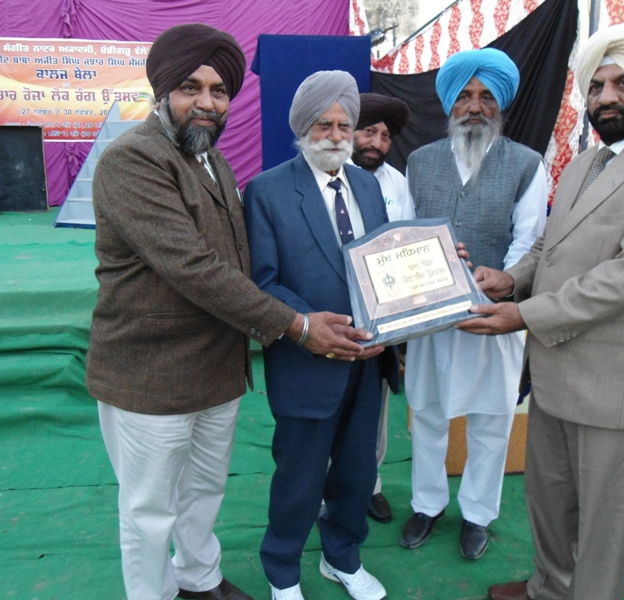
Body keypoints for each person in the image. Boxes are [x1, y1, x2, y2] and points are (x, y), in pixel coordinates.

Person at [86, 25, 371, 600]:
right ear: (163, 90)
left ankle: (200, 579)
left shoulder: (209, 158)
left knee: (203, 492)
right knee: (149, 510)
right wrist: (297, 324)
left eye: (219, 91)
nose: (207, 102)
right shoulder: (132, 160)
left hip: (216, 369)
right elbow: (193, 267)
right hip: (150, 375)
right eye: (191, 87)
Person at [457, 25, 624, 600]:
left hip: (614, 381)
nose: (606, 97)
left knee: (605, 523)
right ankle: (549, 589)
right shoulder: (583, 164)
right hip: (554, 371)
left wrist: (524, 315)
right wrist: (511, 279)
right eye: (597, 85)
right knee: (549, 500)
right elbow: (549, 246)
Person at [244, 71, 399, 600]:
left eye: (344, 125)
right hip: (306, 361)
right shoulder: (266, 191)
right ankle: (282, 572)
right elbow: (263, 282)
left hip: (368, 359)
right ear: (301, 128)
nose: (335, 135)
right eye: (323, 124)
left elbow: (381, 265)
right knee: (299, 477)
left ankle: (342, 558)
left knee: (357, 472)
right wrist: (313, 328)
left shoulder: (368, 185)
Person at [400, 48, 548, 561]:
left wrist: (504, 281)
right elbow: (404, 236)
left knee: (491, 417)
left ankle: (478, 514)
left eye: (486, 97)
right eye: (464, 96)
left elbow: (531, 241)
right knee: (427, 411)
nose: (475, 107)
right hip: (431, 317)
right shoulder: (419, 163)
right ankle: (427, 504)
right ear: (449, 104)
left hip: (493, 317)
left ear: (500, 105)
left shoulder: (527, 163)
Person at [350, 92, 414, 524]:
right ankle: (326, 487)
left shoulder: (399, 184)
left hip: (381, 316)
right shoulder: (326, 172)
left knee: (375, 406)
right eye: (368, 131)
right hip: (331, 311)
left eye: (386, 136)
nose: (376, 142)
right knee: (329, 407)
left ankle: (369, 485)